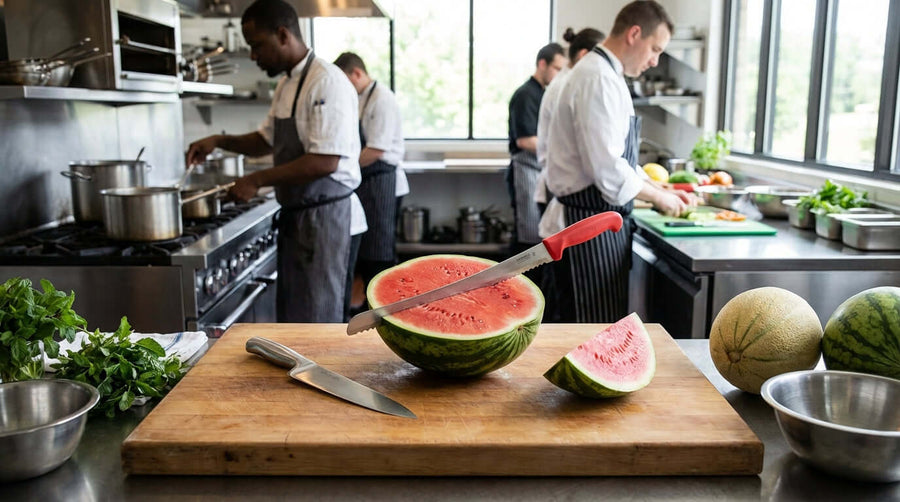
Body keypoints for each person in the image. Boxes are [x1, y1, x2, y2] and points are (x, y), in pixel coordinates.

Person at [185, 0, 365, 323]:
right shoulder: (286, 83)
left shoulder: (326, 82)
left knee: (320, 324)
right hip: (298, 218)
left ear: (283, 35)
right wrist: (219, 141)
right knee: (297, 321)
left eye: (257, 46)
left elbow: (325, 161)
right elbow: (264, 140)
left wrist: (256, 180)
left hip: (327, 219)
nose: (253, 56)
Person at [540, 0, 697, 323]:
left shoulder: (606, 74)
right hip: (587, 228)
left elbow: (618, 157)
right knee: (589, 331)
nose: (655, 61)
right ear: (634, 34)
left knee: (594, 327)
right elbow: (608, 169)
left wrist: (659, 186)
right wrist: (660, 197)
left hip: (597, 225)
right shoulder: (597, 77)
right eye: (654, 49)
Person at [533, 27, 605, 323]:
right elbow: (598, 158)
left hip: (559, 195)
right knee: (565, 299)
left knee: (560, 292)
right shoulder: (573, 84)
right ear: (588, 56)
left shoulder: (567, 82)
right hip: (563, 198)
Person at [333, 52, 408, 308]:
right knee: (367, 254)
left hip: (382, 181)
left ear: (357, 73)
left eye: (347, 80)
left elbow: (376, 149)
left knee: (379, 254)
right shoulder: (362, 97)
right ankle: (368, 307)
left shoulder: (382, 99)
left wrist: (344, 168)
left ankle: (384, 310)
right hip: (369, 181)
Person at [506, 42, 566, 287]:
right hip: (525, 171)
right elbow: (526, 140)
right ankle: (519, 288)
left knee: (538, 238)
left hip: (539, 173)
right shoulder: (525, 95)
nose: (559, 75)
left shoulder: (544, 92)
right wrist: (561, 149)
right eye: (556, 68)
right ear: (542, 64)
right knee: (527, 239)